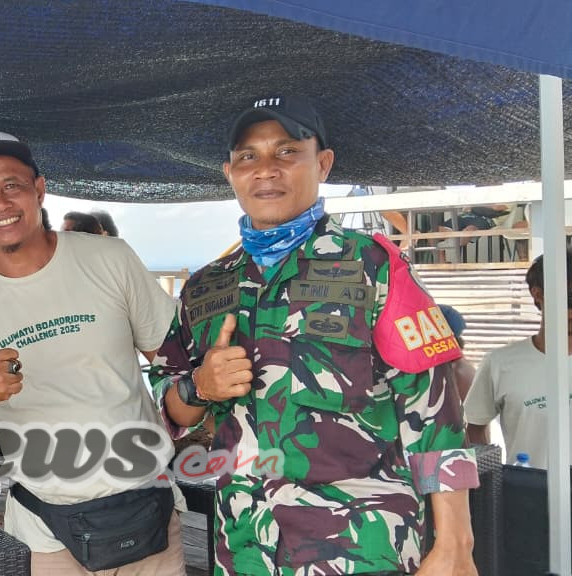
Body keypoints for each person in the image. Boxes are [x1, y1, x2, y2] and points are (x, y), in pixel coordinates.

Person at [150, 96, 477, 575]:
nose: (266, 169)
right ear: (229, 173)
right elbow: (166, 401)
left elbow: (435, 413)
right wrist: (198, 386)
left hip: (362, 547)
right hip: (244, 547)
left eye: (286, 152)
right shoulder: (206, 286)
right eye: (248, 156)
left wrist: (455, 545)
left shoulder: (374, 266)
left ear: (322, 163)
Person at [0, 129, 186, 575]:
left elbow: (174, 363)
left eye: (12, 186)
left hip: (146, 510)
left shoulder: (110, 258)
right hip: (47, 531)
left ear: (40, 189)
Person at [465, 254, 569, 467]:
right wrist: (491, 478)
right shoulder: (500, 363)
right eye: (569, 296)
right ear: (538, 294)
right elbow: (475, 427)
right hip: (529, 494)